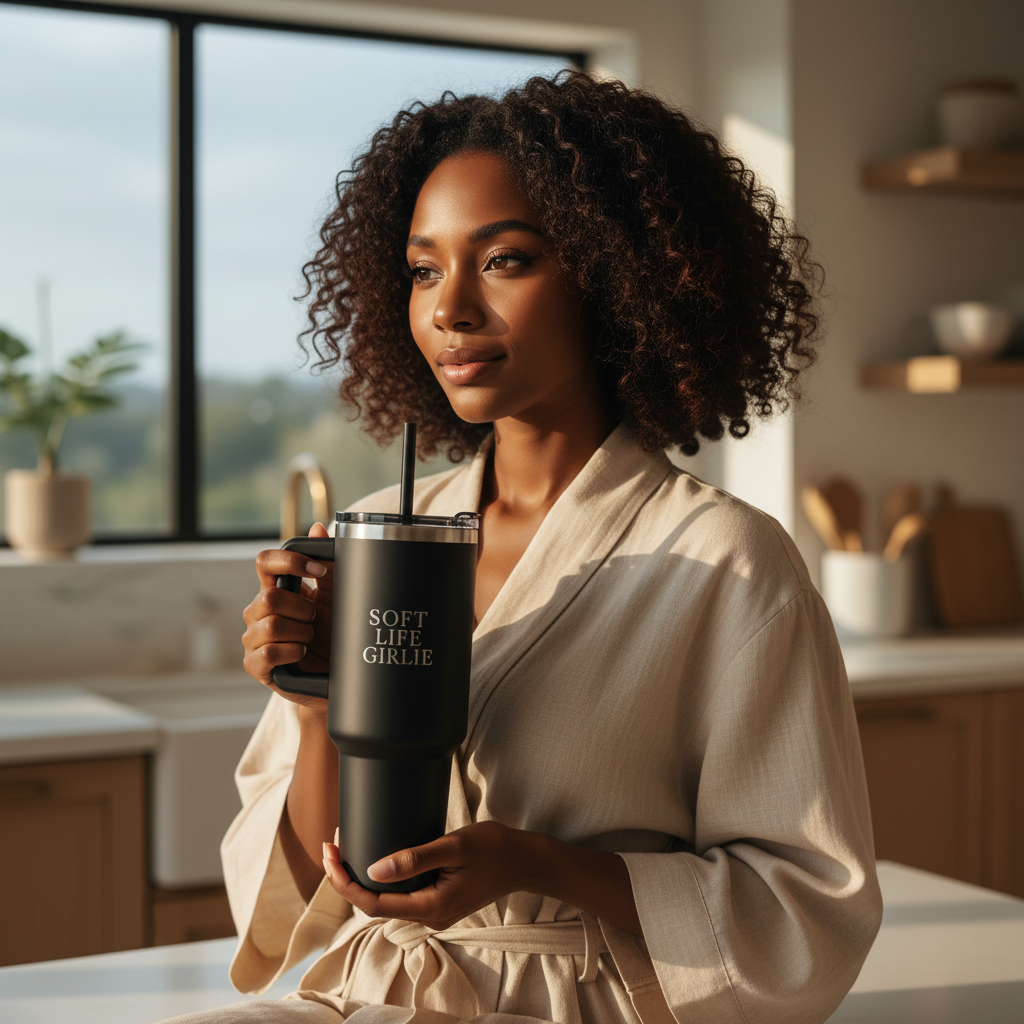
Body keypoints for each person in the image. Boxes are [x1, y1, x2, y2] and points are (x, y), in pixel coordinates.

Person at [168, 71, 882, 1024]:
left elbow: (808, 906)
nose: (450, 309)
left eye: (504, 260)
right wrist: (314, 713)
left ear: (618, 273)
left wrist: (537, 864)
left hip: (571, 1002)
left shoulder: (725, 561)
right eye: (424, 270)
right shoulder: (376, 530)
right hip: (371, 993)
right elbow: (298, 893)